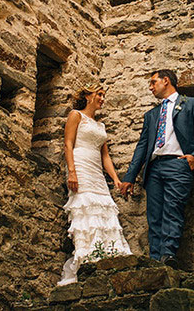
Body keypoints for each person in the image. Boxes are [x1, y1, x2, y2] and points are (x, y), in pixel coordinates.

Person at [119, 69, 194, 268]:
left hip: (178, 165)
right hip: (154, 168)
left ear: (166, 81)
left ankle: (168, 256)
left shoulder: (190, 104)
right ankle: (154, 260)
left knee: (172, 211)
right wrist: (129, 177)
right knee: (154, 215)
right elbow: (142, 147)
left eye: (153, 82)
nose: (150, 87)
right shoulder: (151, 115)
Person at [57, 83, 131, 286]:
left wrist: (115, 179)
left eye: (103, 95)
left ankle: (107, 257)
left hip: (96, 170)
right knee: (85, 208)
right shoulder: (76, 115)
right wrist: (72, 171)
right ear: (88, 96)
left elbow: (105, 155)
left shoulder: (100, 126)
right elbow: (68, 144)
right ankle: (87, 258)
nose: (102, 99)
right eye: (99, 94)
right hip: (80, 165)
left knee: (103, 209)